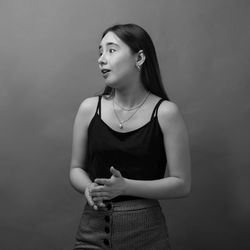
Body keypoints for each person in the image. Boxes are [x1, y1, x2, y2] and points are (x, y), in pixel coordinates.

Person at [70, 23, 191, 250]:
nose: (101, 59)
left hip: (146, 235)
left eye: (111, 50)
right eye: (100, 52)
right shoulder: (88, 108)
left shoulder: (166, 113)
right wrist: (89, 188)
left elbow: (182, 184)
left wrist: (126, 187)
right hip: (91, 231)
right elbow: (76, 168)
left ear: (140, 57)